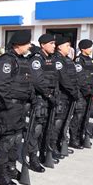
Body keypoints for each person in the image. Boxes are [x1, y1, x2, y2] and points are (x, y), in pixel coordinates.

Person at [0, 30, 34, 185]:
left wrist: (31, 98)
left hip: (21, 107)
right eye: (27, 43)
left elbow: (27, 82)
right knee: (7, 141)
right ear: (18, 44)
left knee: (17, 140)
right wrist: (10, 104)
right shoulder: (7, 60)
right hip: (10, 108)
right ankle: (1, 174)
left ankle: (11, 168)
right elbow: (1, 86)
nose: (30, 46)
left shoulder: (21, 60)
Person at [28, 34, 58, 171]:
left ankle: (43, 153)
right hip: (40, 99)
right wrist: (48, 94)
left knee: (47, 128)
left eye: (54, 43)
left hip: (50, 98)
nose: (54, 45)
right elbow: (37, 81)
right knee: (36, 129)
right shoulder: (37, 59)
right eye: (51, 43)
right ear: (42, 45)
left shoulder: (51, 59)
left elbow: (55, 79)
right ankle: (33, 158)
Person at [52, 36, 79, 157]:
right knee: (57, 124)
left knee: (64, 123)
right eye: (67, 46)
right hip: (61, 96)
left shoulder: (67, 59)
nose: (69, 48)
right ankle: (52, 148)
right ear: (60, 46)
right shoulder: (57, 59)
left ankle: (59, 145)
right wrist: (74, 92)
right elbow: (64, 79)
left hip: (68, 96)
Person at [73, 39, 93, 148]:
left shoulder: (90, 60)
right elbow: (80, 78)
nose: (91, 49)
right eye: (89, 47)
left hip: (89, 93)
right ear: (83, 49)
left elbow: (92, 77)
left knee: (85, 117)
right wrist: (87, 91)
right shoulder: (79, 60)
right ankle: (74, 139)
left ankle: (81, 137)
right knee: (78, 116)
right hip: (81, 94)